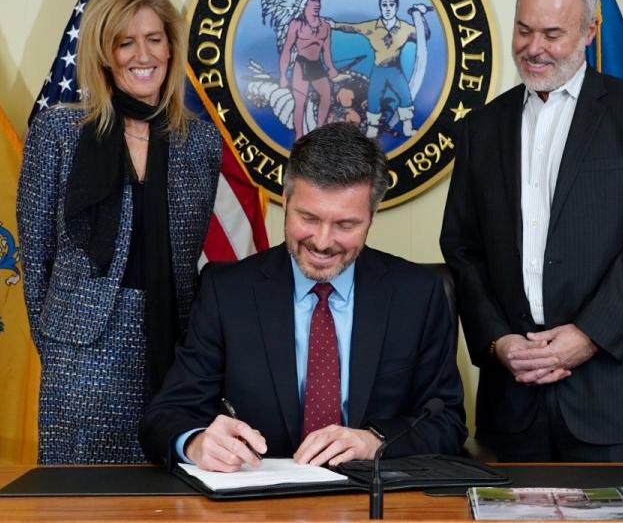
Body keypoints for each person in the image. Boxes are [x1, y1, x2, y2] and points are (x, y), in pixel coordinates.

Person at [440, 0, 623, 462]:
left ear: (590, 31)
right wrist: (497, 341)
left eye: (552, 33)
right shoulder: (481, 128)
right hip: (512, 403)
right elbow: (462, 247)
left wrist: (589, 336)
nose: (534, 48)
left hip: (619, 405)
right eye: (525, 30)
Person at [140, 122, 466, 471]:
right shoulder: (227, 291)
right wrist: (196, 442)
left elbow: (446, 421)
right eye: (308, 217)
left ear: (371, 216)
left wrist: (375, 441)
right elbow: (166, 415)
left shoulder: (418, 294)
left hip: (372, 501)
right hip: (258, 504)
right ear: (286, 199)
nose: (323, 242)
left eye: (345, 225)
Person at [17, 0, 220, 464]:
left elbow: (186, 258)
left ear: (171, 49)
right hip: (82, 351)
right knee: (82, 499)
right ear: (105, 54)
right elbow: (36, 252)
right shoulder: (59, 132)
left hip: (172, 349)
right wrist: (58, 342)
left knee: (168, 495)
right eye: (125, 42)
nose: (141, 54)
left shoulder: (200, 142)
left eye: (154, 39)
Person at [332, 0, 431, 139]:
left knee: (405, 97)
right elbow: (351, 27)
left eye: (391, 5)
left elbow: (425, 35)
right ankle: (372, 129)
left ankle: (407, 128)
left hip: (395, 70)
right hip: (379, 70)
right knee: (373, 99)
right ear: (380, 7)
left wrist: (421, 16)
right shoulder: (372, 26)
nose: (388, 8)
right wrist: (333, 25)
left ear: (396, 7)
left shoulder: (404, 28)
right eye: (384, 5)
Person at [277, 0, 339, 139]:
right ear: (305, 3)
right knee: (300, 102)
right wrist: (283, 76)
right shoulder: (296, 24)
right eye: (313, 0)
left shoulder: (325, 26)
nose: (317, 3)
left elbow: (326, 51)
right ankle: (299, 137)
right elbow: (286, 50)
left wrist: (331, 67)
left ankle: (319, 132)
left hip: (317, 65)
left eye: (318, 0)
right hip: (301, 65)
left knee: (326, 97)